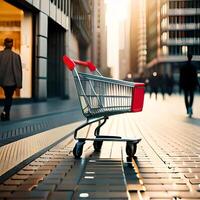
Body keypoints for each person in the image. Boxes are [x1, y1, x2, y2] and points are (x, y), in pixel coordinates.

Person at [0, 38, 22, 121]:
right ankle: (6, 113)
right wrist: (19, 84)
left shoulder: (0, 55)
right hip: (11, 82)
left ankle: (5, 113)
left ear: (4, 44)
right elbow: (19, 71)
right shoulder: (16, 56)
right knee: (9, 97)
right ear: (12, 45)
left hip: (2, 80)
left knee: (7, 97)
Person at [179, 52, 199, 117]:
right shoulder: (194, 67)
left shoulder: (183, 66)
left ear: (187, 57)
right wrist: (197, 84)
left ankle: (187, 108)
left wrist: (180, 85)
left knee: (186, 96)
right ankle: (190, 107)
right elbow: (195, 76)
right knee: (191, 95)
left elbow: (181, 77)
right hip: (192, 83)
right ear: (191, 57)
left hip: (185, 83)